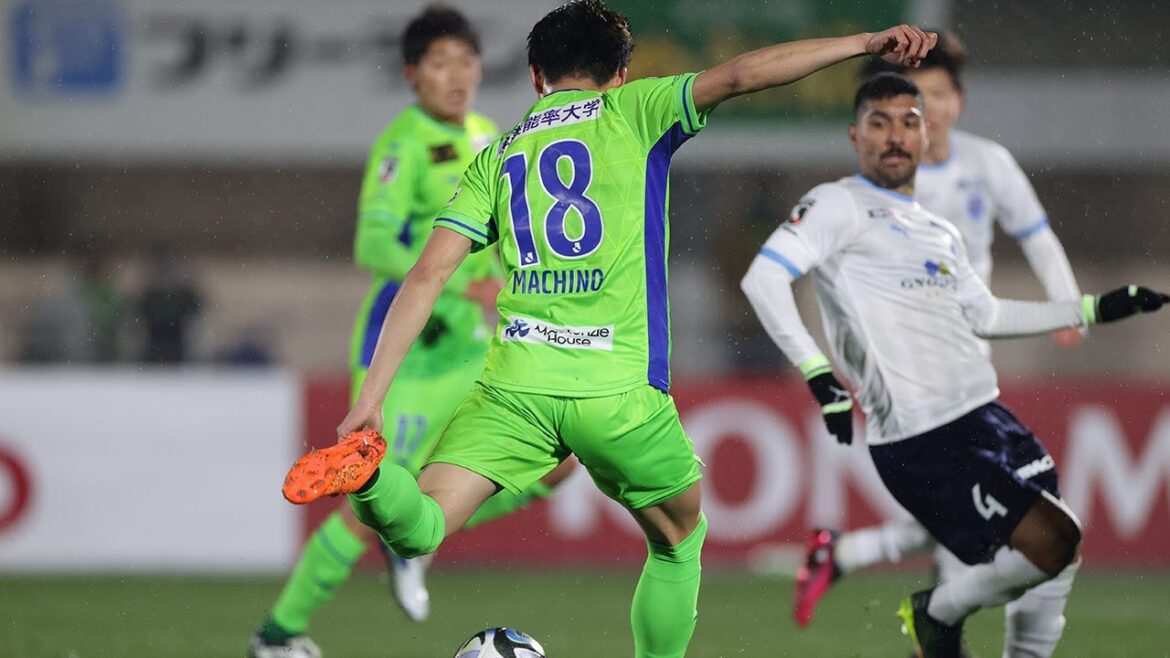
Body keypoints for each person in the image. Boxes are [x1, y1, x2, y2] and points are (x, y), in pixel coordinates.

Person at [279, 2, 935, 656]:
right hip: (618, 394)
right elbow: (741, 76)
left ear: (535, 76)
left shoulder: (498, 152)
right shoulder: (638, 111)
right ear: (620, 73)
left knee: (418, 527)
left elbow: (422, 278)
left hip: (515, 392)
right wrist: (863, 41)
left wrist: (368, 403)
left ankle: (366, 479)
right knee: (679, 539)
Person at [740, 72, 1168, 657]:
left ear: (926, 133)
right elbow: (763, 278)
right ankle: (935, 613)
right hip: (922, 435)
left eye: (907, 123)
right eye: (878, 123)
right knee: (1053, 539)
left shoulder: (937, 230)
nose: (895, 136)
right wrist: (818, 374)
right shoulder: (837, 204)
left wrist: (1097, 306)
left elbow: (986, 314)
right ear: (854, 136)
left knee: (1062, 552)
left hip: (985, 414)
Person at [248, 8, 575, 658]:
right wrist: (462, 286)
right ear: (412, 75)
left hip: (469, 348)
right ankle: (277, 635)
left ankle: (415, 538)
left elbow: (504, 237)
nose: (456, 76)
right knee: (364, 503)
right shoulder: (404, 144)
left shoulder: (491, 135)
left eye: (466, 61)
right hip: (408, 356)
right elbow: (373, 243)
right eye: (439, 63)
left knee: (562, 458)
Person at [792, 32, 1088, 657]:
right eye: (911, 97)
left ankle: (855, 561)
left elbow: (1036, 234)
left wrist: (1068, 303)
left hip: (973, 352)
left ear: (955, 101)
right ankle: (930, 619)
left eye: (935, 95)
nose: (925, 109)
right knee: (1003, 528)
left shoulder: (988, 164)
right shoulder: (883, 181)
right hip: (914, 373)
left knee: (1009, 523)